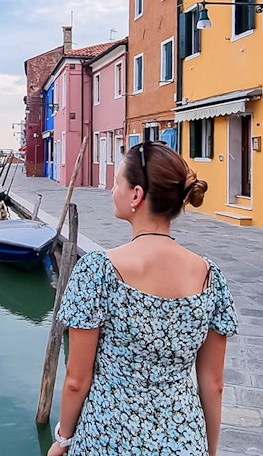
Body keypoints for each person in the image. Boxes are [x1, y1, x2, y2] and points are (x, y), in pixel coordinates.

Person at [47, 141, 238, 456]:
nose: (111, 189)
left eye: (117, 181)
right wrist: (209, 449)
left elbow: (76, 380)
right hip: (184, 440)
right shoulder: (209, 276)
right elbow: (213, 383)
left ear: (136, 195)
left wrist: (63, 439)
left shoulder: (98, 270)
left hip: (107, 438)